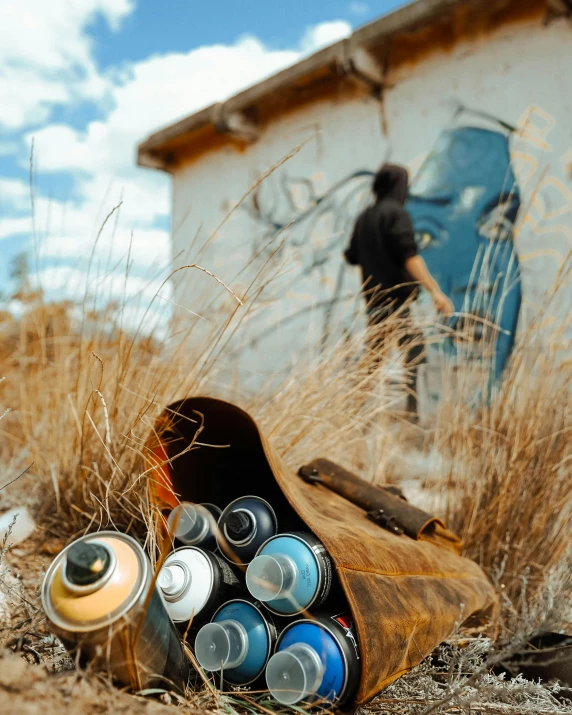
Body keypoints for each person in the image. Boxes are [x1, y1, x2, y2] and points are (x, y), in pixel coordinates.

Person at [344, 163, 453, 417]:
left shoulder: (364, 218)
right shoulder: (396, 214)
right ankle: (413, 413)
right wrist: (435, 291)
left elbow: (351, 256)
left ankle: (354, 413)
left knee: (373, 359)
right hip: (397, 303)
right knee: (414, 352)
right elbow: (409, 256)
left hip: (374, 304)